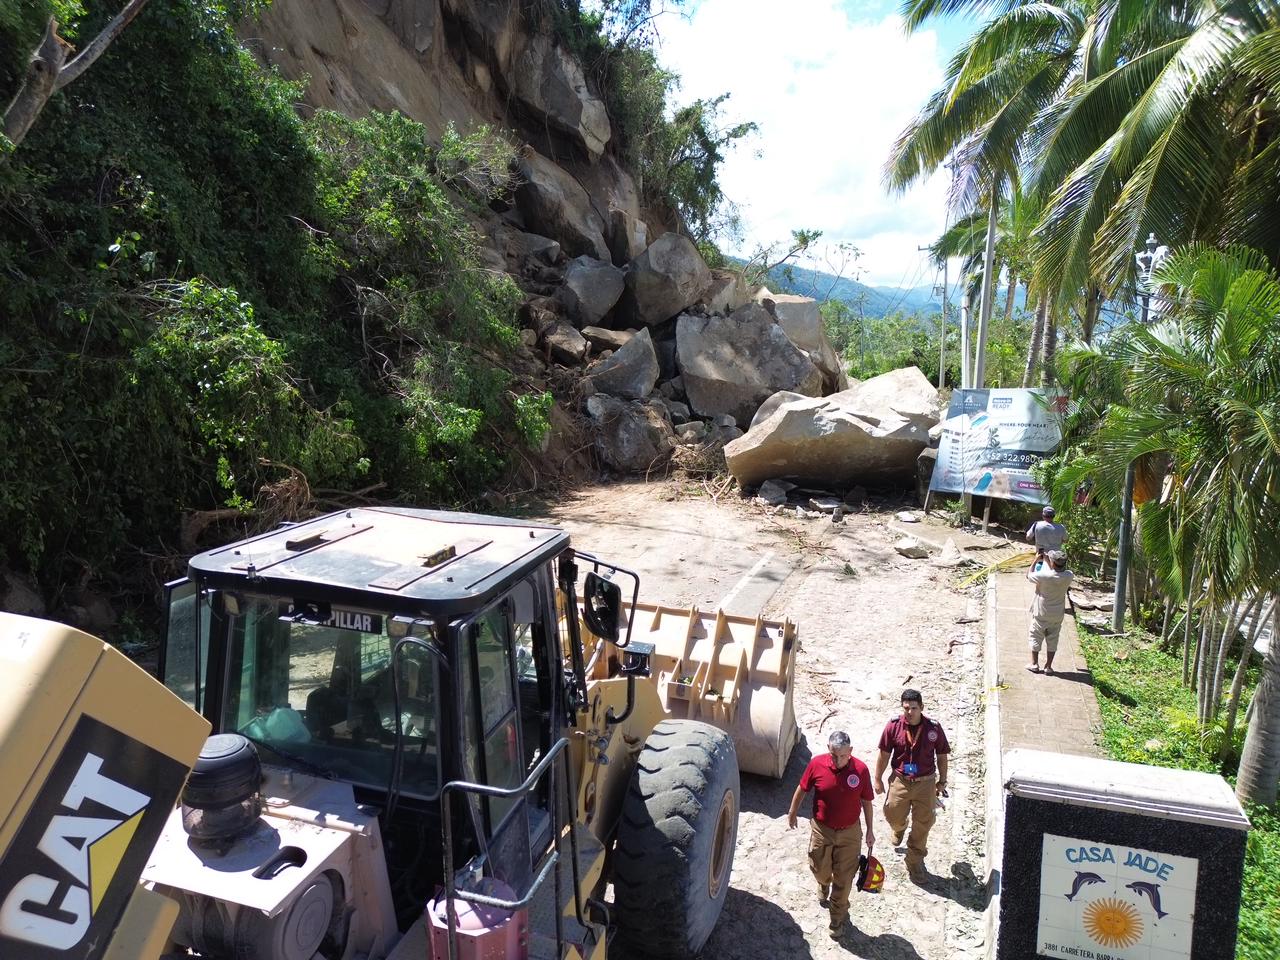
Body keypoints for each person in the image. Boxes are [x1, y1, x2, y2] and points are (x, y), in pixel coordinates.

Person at [788, 730, 875, 936]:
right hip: (822, 829)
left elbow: (867, 801)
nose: (838, 760)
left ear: (850, 751)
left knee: (844, 880)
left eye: (843, 756)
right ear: (829, 749)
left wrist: (870, 829)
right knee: (819, 867)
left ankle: (837, 920)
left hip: (850, 833)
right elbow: (802, 788)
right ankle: (823, 882)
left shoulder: (861, 770)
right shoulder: (816, 764)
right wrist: (792, 812)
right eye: (834, 755)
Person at [874, 690, 950, 876]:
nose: (909, 712)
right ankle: (899, 827)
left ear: (921, 708)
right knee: (892, 811)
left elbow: (942, 756)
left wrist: (942, 781)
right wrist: (877, 778)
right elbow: (884, 755)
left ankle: (914, 860)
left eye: (914, 708)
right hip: (901, 779)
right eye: (906, 708)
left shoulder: (934, 728)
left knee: (924, 822)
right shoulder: (893, 726)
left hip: (926, 782)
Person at [1027, 549, 1074, 675]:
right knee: (1053, 639)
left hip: (1041, 612)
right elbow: (1055, 571)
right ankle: (1048, 666)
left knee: (1035, 635)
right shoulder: (1069, 575)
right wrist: (1049, 560)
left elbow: (1029, 575)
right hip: (1057, 614)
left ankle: (1034, 664)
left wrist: (1036, 559)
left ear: (1052, 563)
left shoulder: (1044, 576)